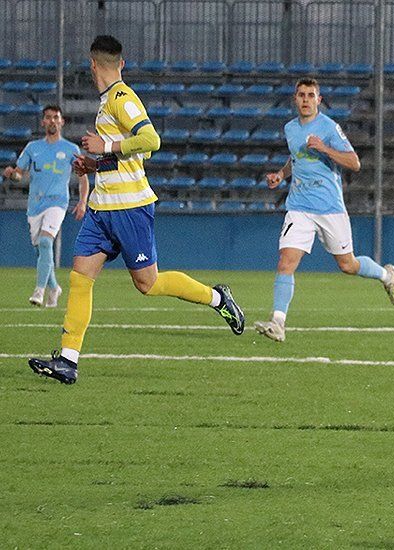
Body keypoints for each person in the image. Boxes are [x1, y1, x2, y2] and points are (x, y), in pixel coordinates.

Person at [27, 35, 245, 385]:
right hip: (102, 208)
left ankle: (218, 297)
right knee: (80, 278)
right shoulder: (106, 103)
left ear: (92, 64)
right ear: (121, 63)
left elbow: (150, 140)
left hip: (130, 208)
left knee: (148, 283)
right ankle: (68, 360)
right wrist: (94, 166)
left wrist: (105, 144)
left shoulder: (122, 98)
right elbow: (128, 157)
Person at [254, 78, 394, 342]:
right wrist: (281, 174)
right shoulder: (290, 128)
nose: (306, 100)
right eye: (301, 95)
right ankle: (278, 322)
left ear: (319, 100)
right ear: (295, 99)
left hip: (330, 209)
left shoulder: (330, 128)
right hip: (299, 207)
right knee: (286, 262)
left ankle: (385, 274)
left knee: (348, 264)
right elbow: (295, 157)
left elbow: (354, 163)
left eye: (311, 95)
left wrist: (324, 148)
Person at [3, 105, 88, 307]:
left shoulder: (71, 149)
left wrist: (83, 201)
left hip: (57, 203)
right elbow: (19, 174)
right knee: (41, 251)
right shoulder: (33, 148)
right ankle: (54, 287)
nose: (52, 121)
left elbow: (83, 178)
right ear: (43, 122)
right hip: (35, 205)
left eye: (55, 117)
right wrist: (11, 174)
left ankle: (39, 291)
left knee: (45, 242)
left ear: (62, 121)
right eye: (48, 117)